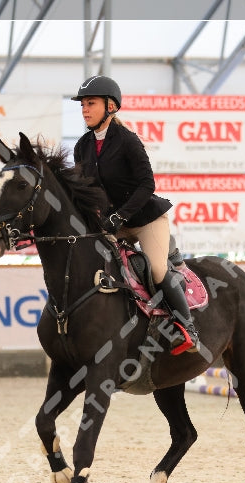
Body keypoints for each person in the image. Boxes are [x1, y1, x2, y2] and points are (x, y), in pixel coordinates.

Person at [71, 75, 199, 353]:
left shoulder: (127, 140)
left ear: (111, 106)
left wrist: (119, 217)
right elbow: (84, 189)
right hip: (111, 223)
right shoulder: (82, 145)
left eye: (90, 103)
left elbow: (147, 185)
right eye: (82, 105)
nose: (84, 110)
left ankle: (187, 327)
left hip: (144, 219)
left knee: (156, 269)